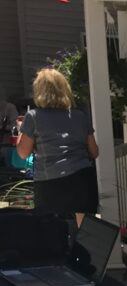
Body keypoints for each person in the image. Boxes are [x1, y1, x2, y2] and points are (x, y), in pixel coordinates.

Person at [16, 68, 99, 226]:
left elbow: (22, 153)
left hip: (51, 183)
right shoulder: (80, 116)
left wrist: (22, 130)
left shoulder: (33, 117)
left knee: (51, 234)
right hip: (82, 179)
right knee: (86, 235)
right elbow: (94, 152)